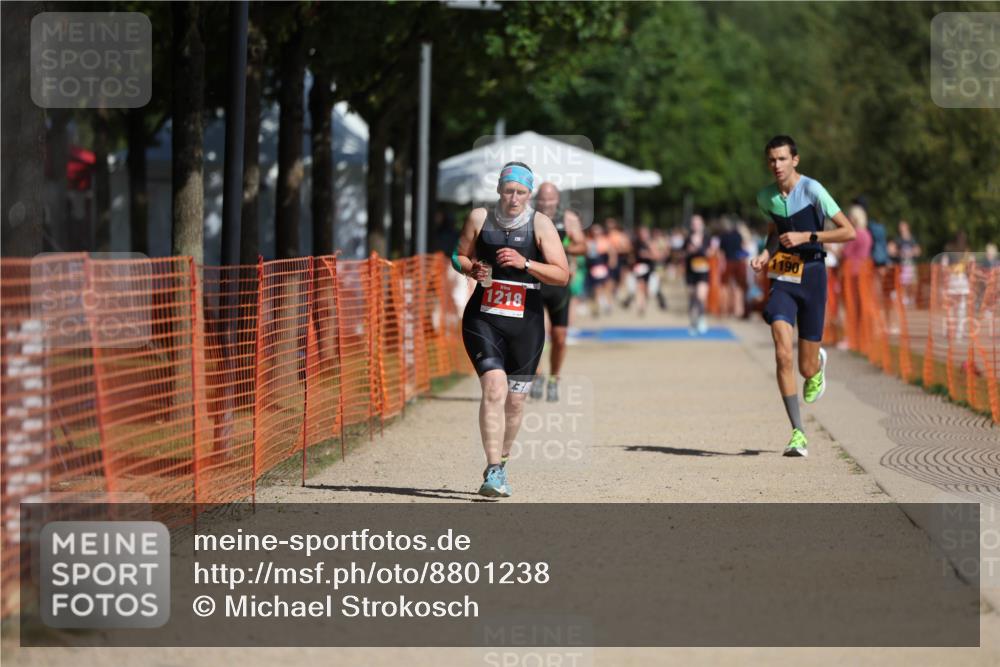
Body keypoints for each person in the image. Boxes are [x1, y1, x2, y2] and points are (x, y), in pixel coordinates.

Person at [453, 162, 569, 497]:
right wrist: (471, 267)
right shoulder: (479, 218)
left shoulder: (540, 224)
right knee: (493, 388)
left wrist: (526, 263)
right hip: (484, 316)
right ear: (499, 189)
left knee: (515, 402)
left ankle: (501, 463)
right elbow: (457, 255)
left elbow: (562, 275)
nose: (514, 198)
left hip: (526, 321)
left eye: (520, 192)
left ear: (528, 193)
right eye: (508, 190)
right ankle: (491, 471)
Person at [750, 135, 855, 457]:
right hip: (783, 275)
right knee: (782, 352)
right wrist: (765, 254)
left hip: (812, 275)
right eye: (772, 160)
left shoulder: (813, 190)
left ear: (795, 160)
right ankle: (797, 432)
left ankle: (816, 367)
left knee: (805, 367)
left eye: (782, 159)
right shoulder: (765, 196)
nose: (776, 165)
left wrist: (809, 235)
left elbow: (848, 231)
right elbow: (773, 235)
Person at [530, 182, 586, 402]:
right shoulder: (529, 218)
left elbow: (583, 246)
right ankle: (537, 375)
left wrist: (561, 249)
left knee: (560, 337)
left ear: (557, 200)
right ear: (537, 199)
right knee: (536, 335)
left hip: (559, 286)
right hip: (534, 283)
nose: (546, 203)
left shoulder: (568, 219)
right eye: (542, 199)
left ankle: (554, 378)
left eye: (550, 199)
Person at [684, 214, 714, 334]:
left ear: (702, 224)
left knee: (701, 296)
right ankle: (692, 322)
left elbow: (711, 251)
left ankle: (701, 318)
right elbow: (681, 253)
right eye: (693, 223)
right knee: (692, 298)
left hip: (703, 270)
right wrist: (688, 251)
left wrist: (705, 251)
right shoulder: (687, 238)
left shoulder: (707, 238)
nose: (695, 225)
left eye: (697, 223)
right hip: (690, 272)